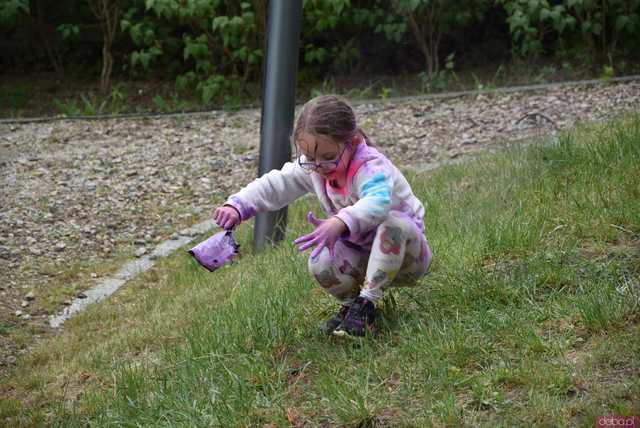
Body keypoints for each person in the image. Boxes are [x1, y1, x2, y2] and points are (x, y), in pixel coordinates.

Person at [213, 94, 432, 337]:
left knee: (394, 223)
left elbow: (378, 202)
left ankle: (367, 302)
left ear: (353, 142)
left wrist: (340, 221)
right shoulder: (314, 167)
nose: (319, 166)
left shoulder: (370, 166)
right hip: (361, 255)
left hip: (407, 258)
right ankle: (352, 311)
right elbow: (277, 184)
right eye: (310, 159)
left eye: (328, 158)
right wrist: (238, 205)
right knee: (319, 260)